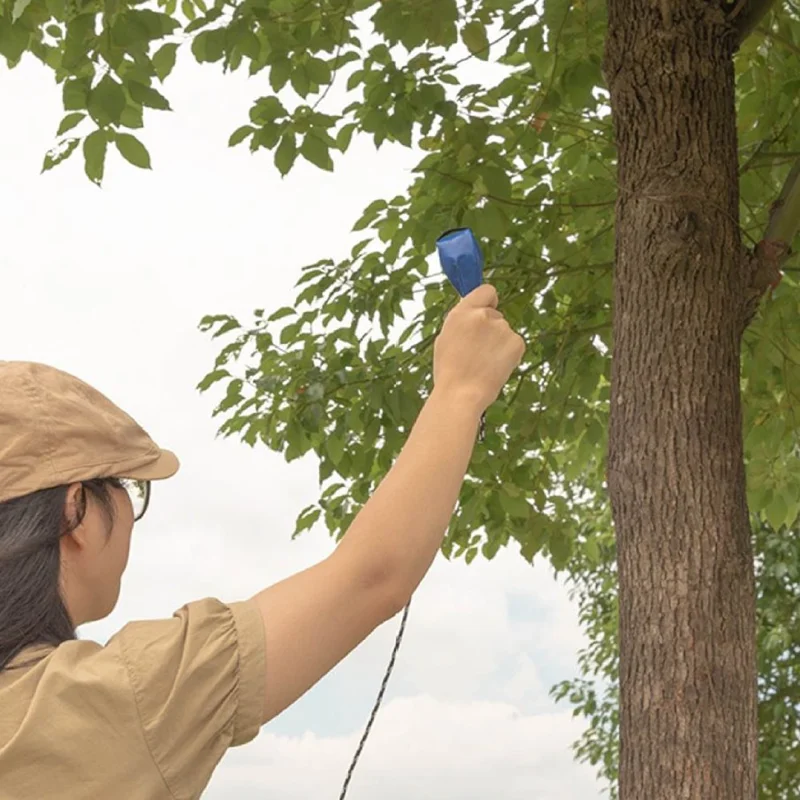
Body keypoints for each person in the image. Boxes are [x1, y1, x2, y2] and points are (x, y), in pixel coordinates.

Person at [0, 284, 524, 799]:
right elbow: (373, 575)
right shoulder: (106, 701)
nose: (133, 513)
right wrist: (461, 389)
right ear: (76, 511)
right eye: (128, 487)